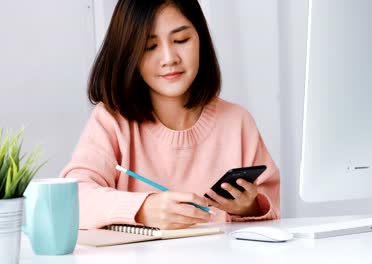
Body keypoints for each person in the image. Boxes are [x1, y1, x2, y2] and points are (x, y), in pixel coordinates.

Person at [61, 0, 280, 230]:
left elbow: (273, 211)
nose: (169, 58)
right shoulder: (112, 121)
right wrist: (143, 209)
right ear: (128, 53)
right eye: (149, 46)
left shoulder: (237, 122)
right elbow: (72, 199)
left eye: (181, 40)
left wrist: (249, 207)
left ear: (201, 40)